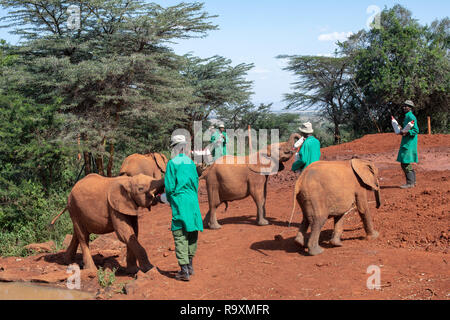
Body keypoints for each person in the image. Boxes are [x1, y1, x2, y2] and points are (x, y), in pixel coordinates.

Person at [165, 135, 203, 281]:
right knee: (192, 231)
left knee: (180, 233)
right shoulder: (191, 163)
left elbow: (169, 187)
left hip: (180, 200)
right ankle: (190, 265)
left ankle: (184, 270)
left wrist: (169, 200)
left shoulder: (172, 163)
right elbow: (196, 182)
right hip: (193, 200)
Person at [396, 100, 419, 189]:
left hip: (409, 143)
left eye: (407, 106)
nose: (404, 107)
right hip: (407, 142)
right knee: (405, 162)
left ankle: (410, 183)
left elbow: (416, 130)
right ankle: (413, 181)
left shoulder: (411, 116)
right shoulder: (407, 117)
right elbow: (407, 128)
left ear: (410, 108)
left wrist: (406, 132)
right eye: (404, 106)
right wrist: (401, 129)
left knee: (405, 162)